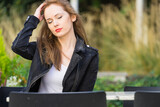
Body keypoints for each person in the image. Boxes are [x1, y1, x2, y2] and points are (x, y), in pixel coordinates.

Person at [11, 0, 99, 93]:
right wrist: (33, 20)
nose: (55, 24)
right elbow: (18, 46)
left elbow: (84, 96)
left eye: (59, 17)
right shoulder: (42, 48)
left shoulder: (89, 55)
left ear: (72, 17)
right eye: (49, 21)